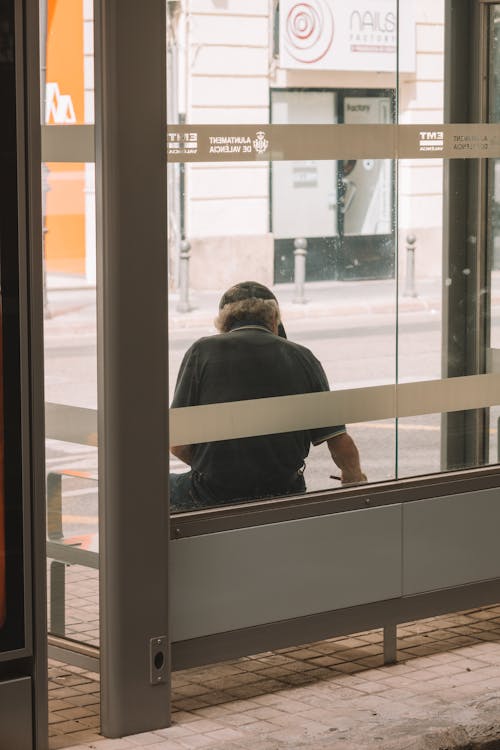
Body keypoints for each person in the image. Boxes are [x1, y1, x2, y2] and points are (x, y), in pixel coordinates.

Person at [170, 281, 366, 511]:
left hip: (213, 493)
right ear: (274, 320)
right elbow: (339, 442)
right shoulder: (302, 357)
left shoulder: (202, 351)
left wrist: (222, 471)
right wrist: (354, 478)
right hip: (284, 489)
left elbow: (177, 442)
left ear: (223, 321)